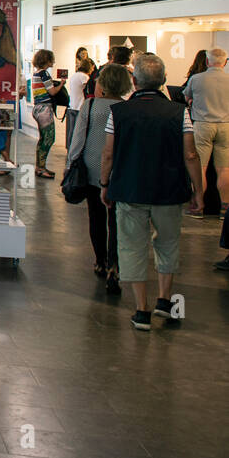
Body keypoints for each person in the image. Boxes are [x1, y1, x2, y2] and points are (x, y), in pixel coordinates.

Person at [99, 53, 203, 330]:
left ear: (134, 81)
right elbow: (190, 154)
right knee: (167, 244)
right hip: (169, 190)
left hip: (129, 189)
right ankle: (164, 301)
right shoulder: (180, 113)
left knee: (131, 247)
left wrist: (105, 184)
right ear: (164, 81)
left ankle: (141, 310)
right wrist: (199, 191)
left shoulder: (118, 113)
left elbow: (108, 153)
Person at [67, 63, 130, 294]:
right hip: (117, 170)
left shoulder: (91, 105)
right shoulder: (126, 108)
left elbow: (78, 138)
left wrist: (70, 164)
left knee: (95, 214)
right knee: (116, 219)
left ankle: (100, 261)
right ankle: (115, 265)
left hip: (92, 168)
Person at [185, 47, 229, 219]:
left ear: (207, 61)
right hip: (226, 126)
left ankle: (198, 206)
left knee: (200, 168)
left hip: (203, 125)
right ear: (224, 62)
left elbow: (187, 97)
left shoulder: (196, 79)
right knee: (224, 169)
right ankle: (225, 209)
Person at [28, 49, 65, 177]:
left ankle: (40, 166)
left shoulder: (36, 74)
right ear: (46, 60)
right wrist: (61, 84)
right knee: (48, 138)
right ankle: (41, 167)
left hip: (38, 108)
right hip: (44, 109)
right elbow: (52, 92)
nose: (53, 62)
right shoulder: (44, 74)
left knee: (43, 139)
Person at [66, 56, 95, 150]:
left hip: (72, 106)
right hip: (80, 107)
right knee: (79, 132)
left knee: (71, 131)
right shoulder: (84, 77)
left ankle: (70, 149)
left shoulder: (75, 75)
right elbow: (89, 89)